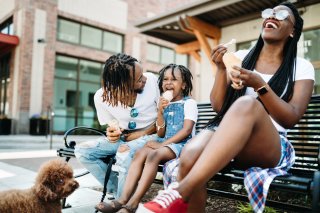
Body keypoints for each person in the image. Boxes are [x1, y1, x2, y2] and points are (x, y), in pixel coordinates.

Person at [142, 2, 315, 213]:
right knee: (189, 156)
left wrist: (259, 85)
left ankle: (178, 193)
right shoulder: (241, 57)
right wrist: (220, 68)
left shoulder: (302, 67)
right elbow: (218, 106)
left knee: (247, 103)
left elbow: (291, 118)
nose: (272, 17)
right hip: (226, 137)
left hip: (269, 146)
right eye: (269, 13)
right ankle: (180, 197)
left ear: (292, 31)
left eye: (281, 15)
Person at [95, 64, 198, 213]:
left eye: (174, 80)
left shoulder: (189, 103)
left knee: (153, 155)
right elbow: (161, 133)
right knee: (139, 153)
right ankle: (122, 199)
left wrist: (162, 145)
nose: (168, 83)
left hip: (182, 144)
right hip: (166, 143)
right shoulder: (165, 104)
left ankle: (133, 203)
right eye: (165, 79)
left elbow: (187, 130)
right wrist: (160, 112)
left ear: (184, 85)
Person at [74, 53, 160, 199]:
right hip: (126, 138)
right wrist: (113, 132)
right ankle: (119, 193)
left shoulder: (152, 80)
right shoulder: (101, 97)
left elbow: (166, 117)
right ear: (122, 85)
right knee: (83, 151)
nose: (144, 78)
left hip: (155, 135)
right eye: (139, 79)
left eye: (142, 74)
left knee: (124, 152)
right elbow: (113, 125)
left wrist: (142, 133)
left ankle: (122, 204)